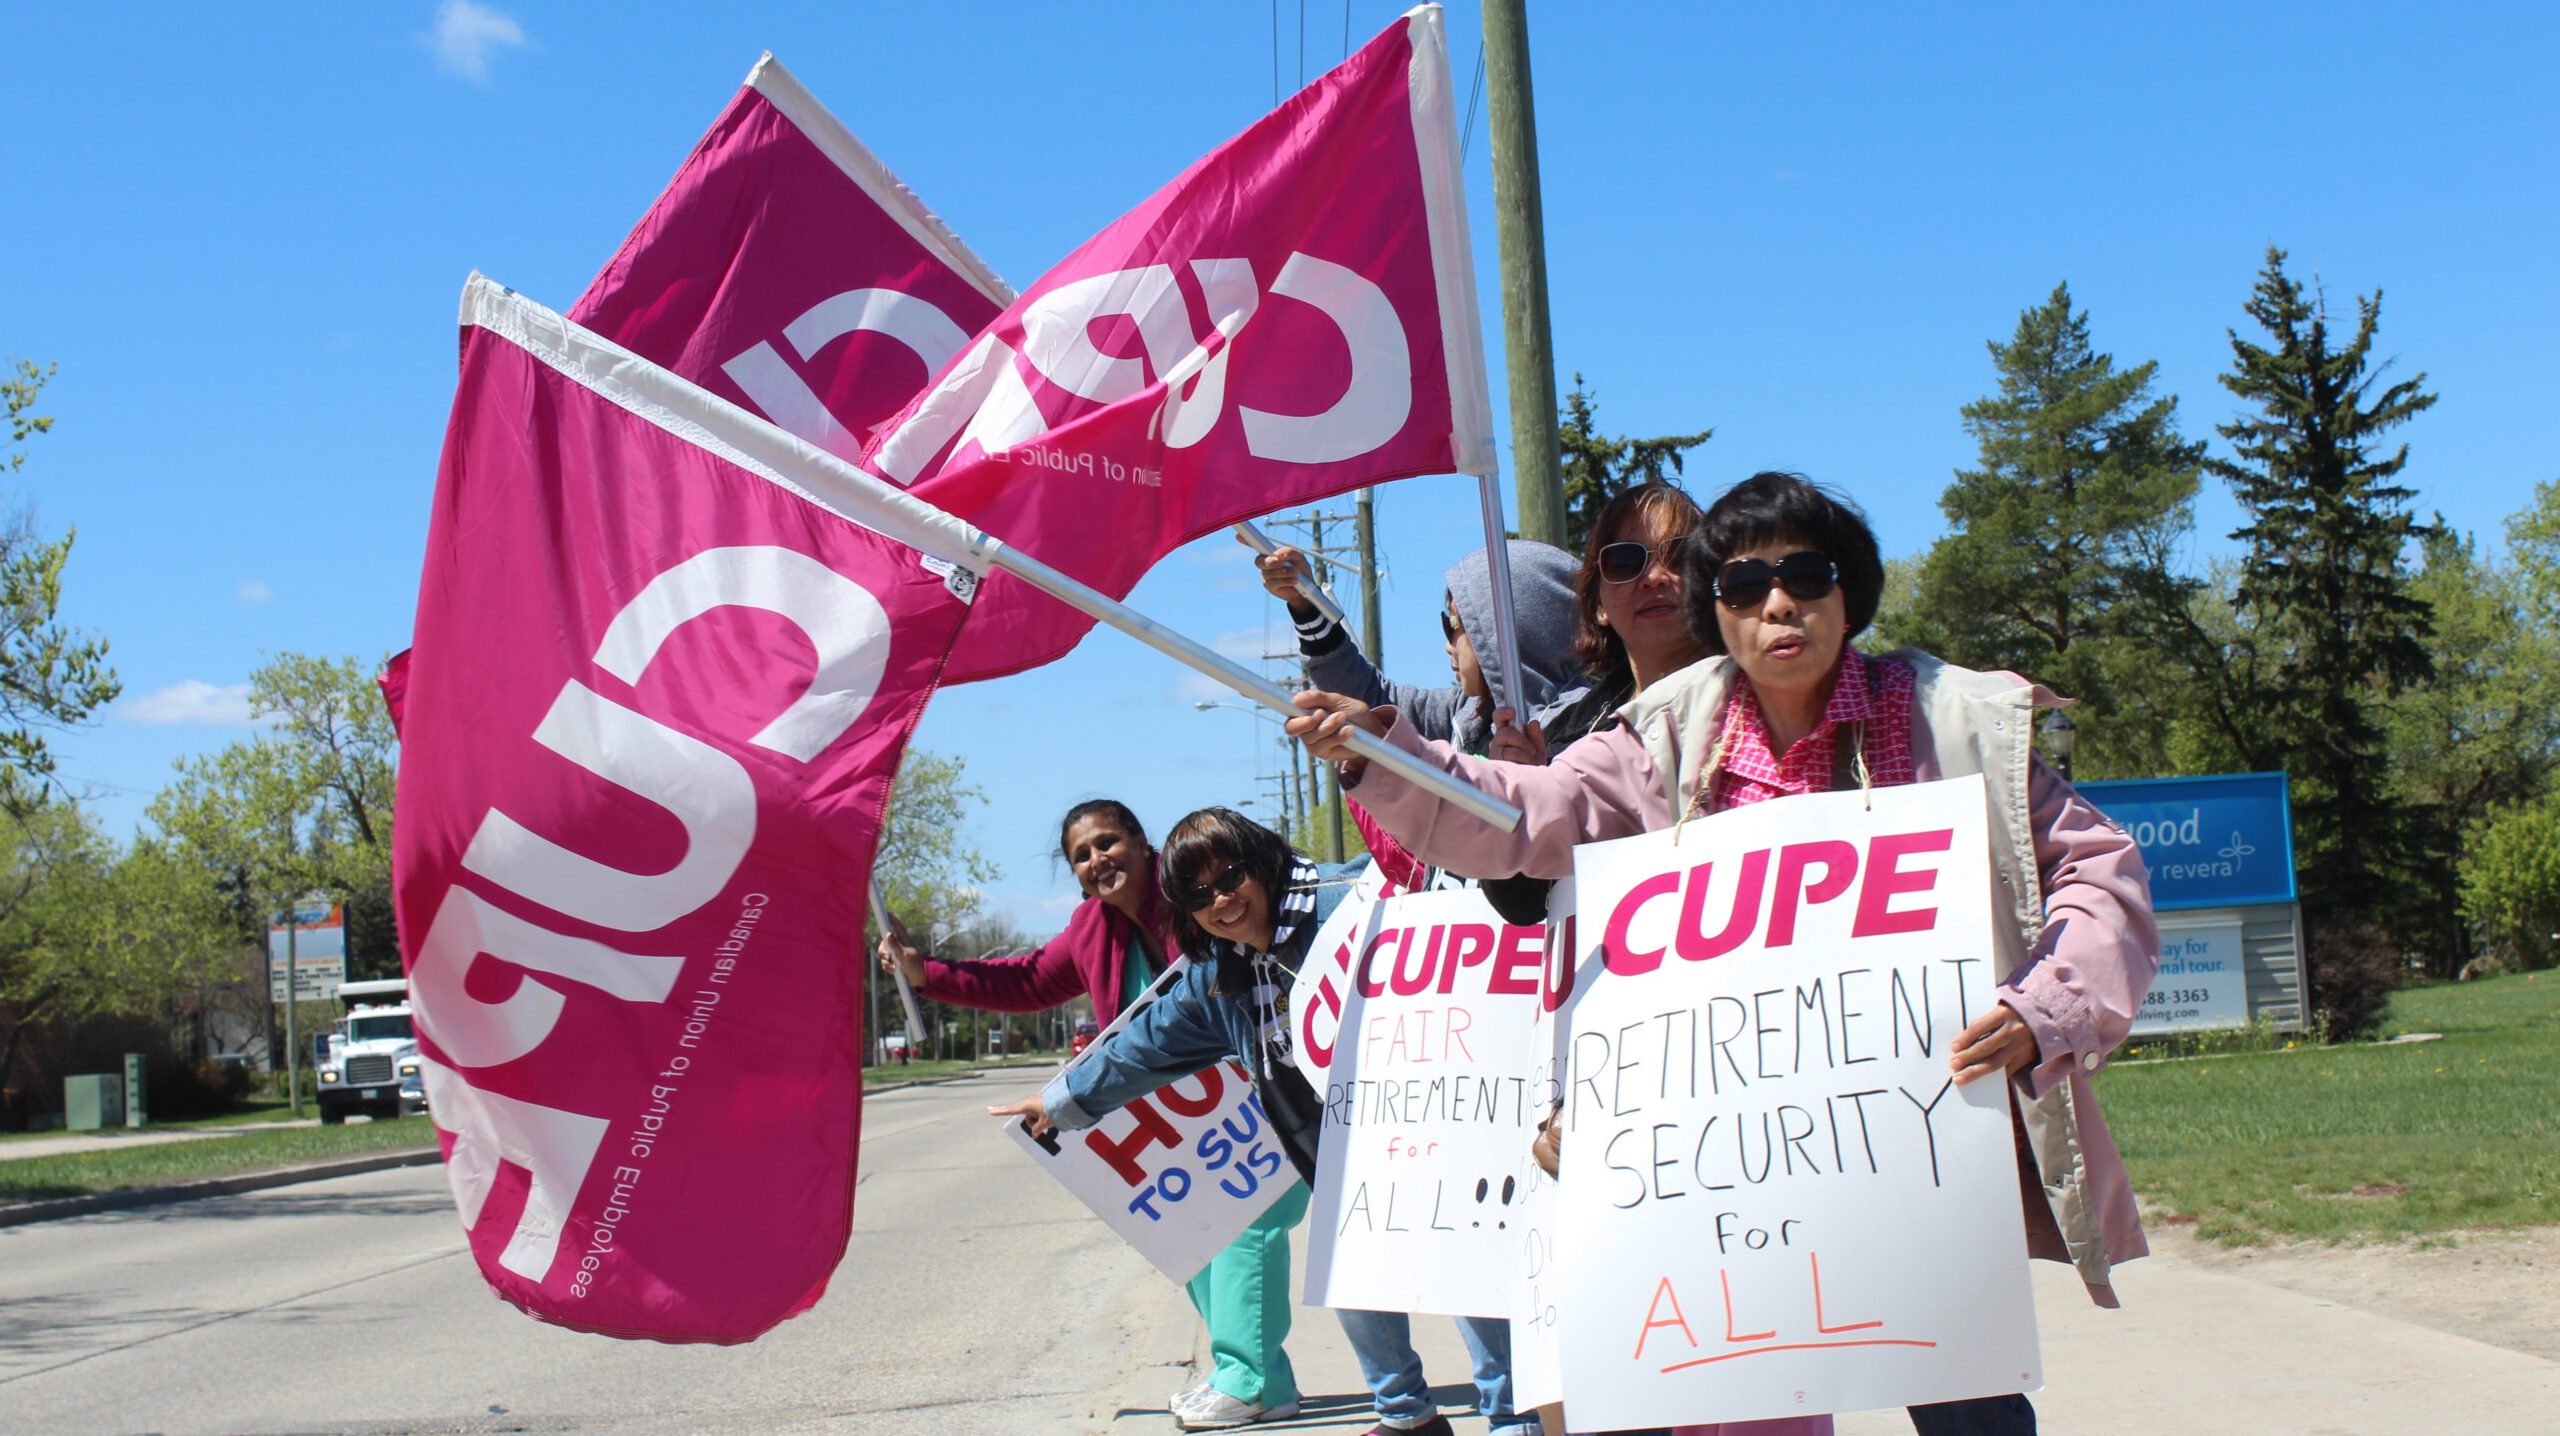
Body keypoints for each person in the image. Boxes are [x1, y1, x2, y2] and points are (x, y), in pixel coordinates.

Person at [1289, 472, 2160, 1436]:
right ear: (1719, 609)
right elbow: (1522, 816)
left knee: (1965, 1390)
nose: (1778, 602)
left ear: (1850, 592)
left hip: (1920, 1135)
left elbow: (2100, 875)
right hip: (1739, 1164)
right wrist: (1393, 759)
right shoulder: (1661, 737)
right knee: (1748, 1392)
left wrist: (2048, 1008)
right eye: (1744, 586)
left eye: (1806, 573)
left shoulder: (1957, 720)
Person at [990, 809, 1541, 1436]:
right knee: (1353, 1283)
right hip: (1334, 1149)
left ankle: (1512, 1417)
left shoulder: (1351, 902)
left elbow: (1432, 875)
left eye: (1232, 877)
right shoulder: (1217, 973)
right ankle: (1407, 1415)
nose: (1222, 900)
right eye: (1199, 895)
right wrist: (1059, 1101)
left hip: (1426, 1126)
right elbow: (1141, 1045)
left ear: (1263, 861)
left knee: (1460, 1269)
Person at [880, 799, 1308, 1431]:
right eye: (1081, 855)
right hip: (1167, 1114)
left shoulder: (1192, 889)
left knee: (1247, 1226)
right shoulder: (1090, 928)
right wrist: (927, 973)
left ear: (1140, 842)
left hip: (1250, 1092)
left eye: (1107, 843)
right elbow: (1025, 981)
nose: (1096, 860)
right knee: (1191, 1232)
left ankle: (1252, 1380)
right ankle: (1244, 1374)